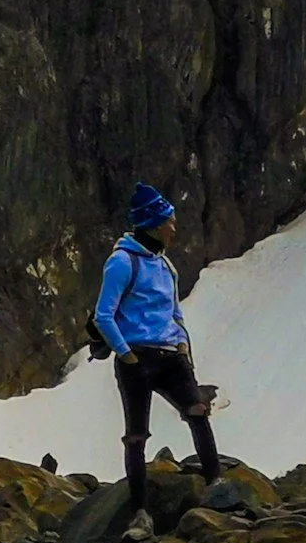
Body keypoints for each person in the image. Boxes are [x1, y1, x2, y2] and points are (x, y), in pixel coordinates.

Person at [92, 182, 222, 520]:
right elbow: (103, 315)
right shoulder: (121, 263)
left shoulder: (166, 266)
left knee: (197, 410)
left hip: (169, 355)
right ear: (153, 224)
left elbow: (174, 312)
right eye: (170, 222)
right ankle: (139, 512)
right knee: (136, 435)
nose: (174, 228)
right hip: (137, 357)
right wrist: (127, 355)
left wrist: (180, 343)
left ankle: (216, 483)